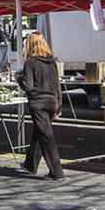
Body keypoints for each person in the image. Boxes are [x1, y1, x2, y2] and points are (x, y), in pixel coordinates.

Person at [16, 33, 65, 181]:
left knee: (46, 136)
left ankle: (56, 172)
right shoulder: (52, 62)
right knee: (39, 133)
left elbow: (28, 86)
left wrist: (19, 78)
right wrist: (59, 104)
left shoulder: (30, 62)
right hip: (51, 101)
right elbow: (57, 85)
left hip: (38, 103)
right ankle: (30, 165)